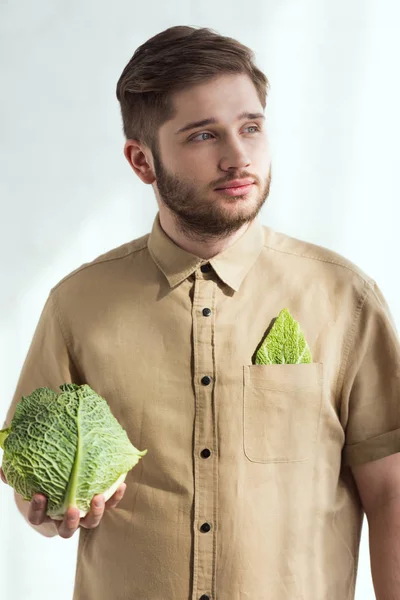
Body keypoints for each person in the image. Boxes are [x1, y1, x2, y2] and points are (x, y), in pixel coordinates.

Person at [2, 24, 400, 600]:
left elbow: (390, 489)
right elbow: (31, 485)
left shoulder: (344, 297)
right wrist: (48, 512)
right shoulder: (78, 304)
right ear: (142, 161)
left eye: (251, 127)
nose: (238, 157)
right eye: (202, 135)